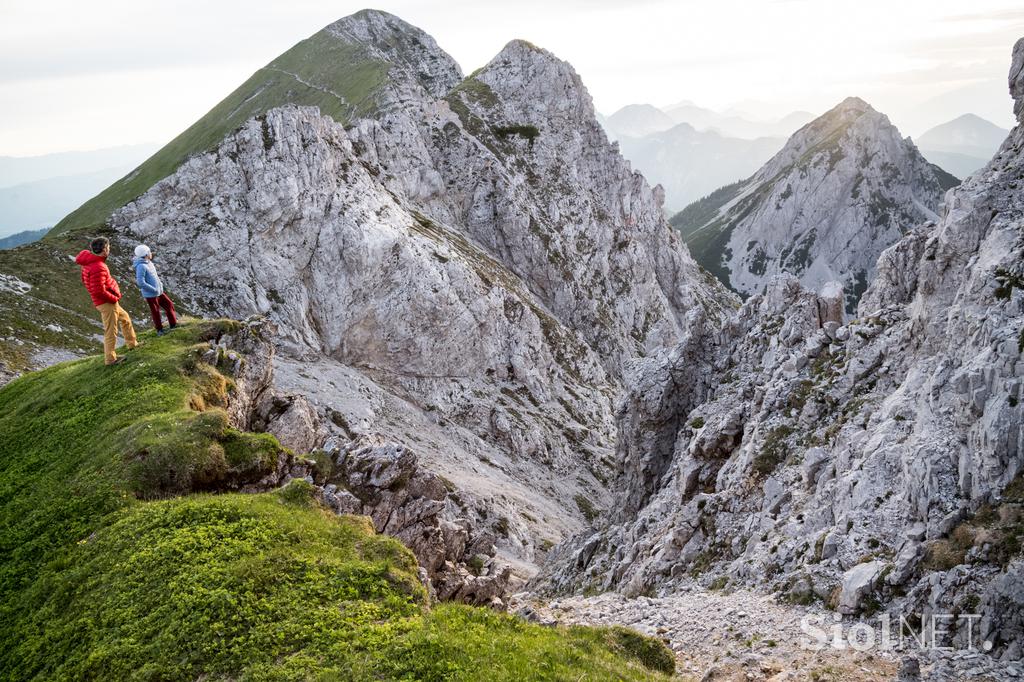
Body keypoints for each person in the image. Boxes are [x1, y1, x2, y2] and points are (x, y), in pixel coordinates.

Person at [75, 237, 138, 366]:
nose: (109, 249)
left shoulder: (88, 263)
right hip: (107, 303)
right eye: (108, 247)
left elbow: (87, 282)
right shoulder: (98, 266)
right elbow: (98, 291)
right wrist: (113, 298)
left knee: (125, 319)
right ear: (104, 250)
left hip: (105, 302)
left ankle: (132, 344)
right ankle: (110, 359)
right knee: (110, 331)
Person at [133, 244, 177, 335]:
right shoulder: (141, 266)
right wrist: (153, 289)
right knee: (156, 311)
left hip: (159, 291)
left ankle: (173, 325)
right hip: (151, 294)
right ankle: (159, 330)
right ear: (145, 254)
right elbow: (140, 282)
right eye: (149, 252)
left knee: (169, 305)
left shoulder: (149, 262)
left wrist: (160, 285)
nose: (151, 253)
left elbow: (155, 276)